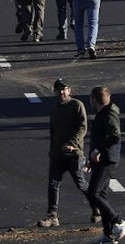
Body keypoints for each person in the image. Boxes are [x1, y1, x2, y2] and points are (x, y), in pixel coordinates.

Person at [37, 78, 92, 229]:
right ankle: (52, 216)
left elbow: (82, 127)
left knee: (81, 184)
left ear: (69, 90)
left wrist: (72, 144)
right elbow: (53, 132)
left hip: (74, 154)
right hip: (57, 155)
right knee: (53, 184)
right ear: (55, 92)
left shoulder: (76, 105)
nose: (62, 92)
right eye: (59, 90)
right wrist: (52, 151)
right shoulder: (55, 110)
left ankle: (97, 207)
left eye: (64, 89)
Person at [86, 86, 125, 243]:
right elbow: (98, 137)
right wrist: (91, 158)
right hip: (101, 158)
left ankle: (118, 222)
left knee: (94, 193)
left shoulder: (109, 113)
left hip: (107, 158)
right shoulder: (103, 113)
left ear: (94, 99)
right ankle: (108, 234)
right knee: (101, 194)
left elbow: (115, 135)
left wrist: (98, 150)